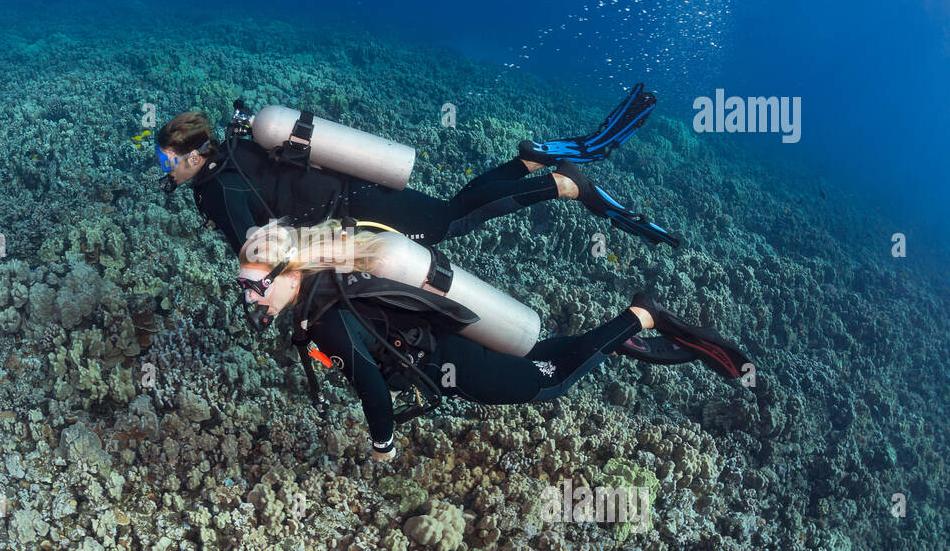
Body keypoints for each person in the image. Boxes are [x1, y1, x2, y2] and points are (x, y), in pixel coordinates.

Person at [236, 221, 750, 462]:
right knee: (543, 355)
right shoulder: (324, 280)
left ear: (286, 272)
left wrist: (382, 450)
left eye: (254, 286)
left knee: (552, 384)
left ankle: (639, 318)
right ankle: (613, 338)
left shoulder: (323, 316)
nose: (251, 298)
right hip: (450, 342)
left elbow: (371, 388)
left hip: (458, 365)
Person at [155, 85, 679, 255]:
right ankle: (528, 161)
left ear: (196, 154)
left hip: (354, 209)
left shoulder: (217, 189)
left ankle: (558, 184)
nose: (166, 168)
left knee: (447, 224)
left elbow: (258, 249)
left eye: (168, 159)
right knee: (448, 208)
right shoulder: (237, 145)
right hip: (352, 188)